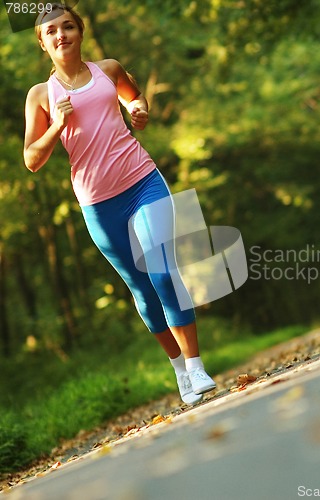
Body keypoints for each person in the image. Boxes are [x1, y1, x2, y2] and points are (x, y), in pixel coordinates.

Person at [23, 3, 216, 405]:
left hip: (142, 181)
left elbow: (135, 98)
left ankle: (197, 367)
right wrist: (57, 126)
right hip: (98, 204)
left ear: (80, 31)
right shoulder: (41, 96)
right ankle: (180, 371)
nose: (61, 35)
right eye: (51, 31)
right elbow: (32, 160)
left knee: (162, 272)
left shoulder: (107, 69)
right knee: (143, 290)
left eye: (68, 26)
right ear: (42, 42)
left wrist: (139, 110)